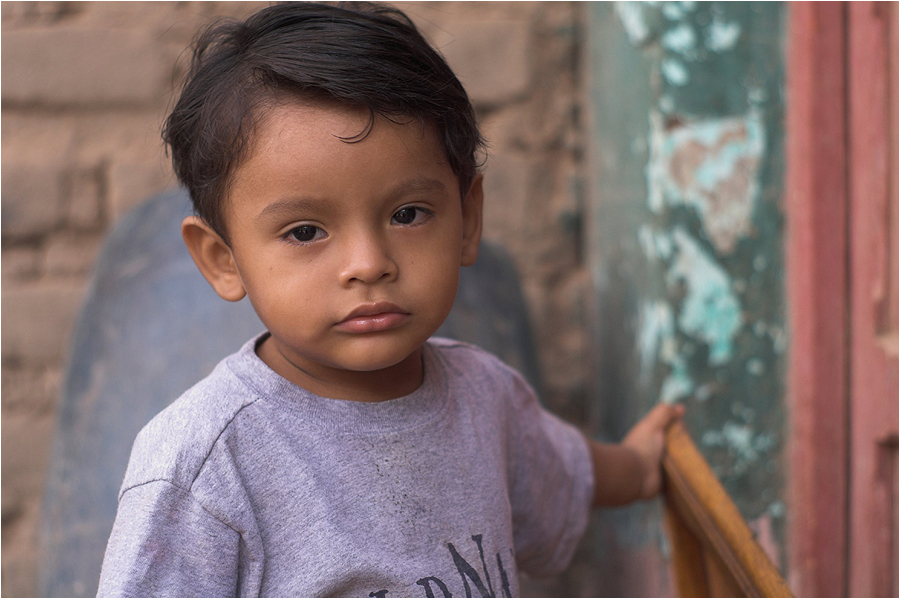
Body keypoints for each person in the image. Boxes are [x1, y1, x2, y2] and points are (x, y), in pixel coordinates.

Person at [97, 3, 683, 597]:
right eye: (306, 232)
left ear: (467, 219)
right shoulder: (205, 465)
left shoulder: (484, 397)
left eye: (408, 214)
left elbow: (567, 471)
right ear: (223, 259)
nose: (369, 263)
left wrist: (640, 467)